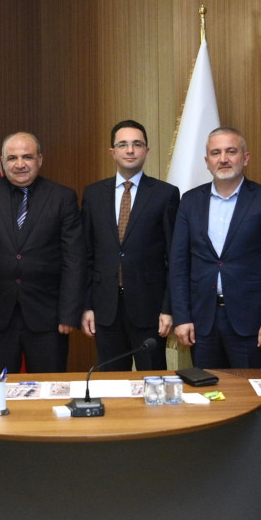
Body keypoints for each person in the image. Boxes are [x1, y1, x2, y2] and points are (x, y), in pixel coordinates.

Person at [0, 131, 85, 374]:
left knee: (50, 389)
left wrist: (69, 313)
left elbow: (74, 259)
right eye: (12, 158)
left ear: (40, 159)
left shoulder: (62, 197)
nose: (20, 164)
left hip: (48, 318)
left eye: (27, 157)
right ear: (2, 161)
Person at [170, 127, 261, 368]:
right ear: (207, 161)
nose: (223, 159)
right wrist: (181, 317)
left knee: (250, 388)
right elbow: (179, 265)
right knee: (207, 388)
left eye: (231, 151)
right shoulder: (190, 201)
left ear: (246, 157)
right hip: (202, 322)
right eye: (216, 153)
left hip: (252, 323)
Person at [81, 119, 180, 371]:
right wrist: (87, 306)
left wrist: (168, 308)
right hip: (105, 310)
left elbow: (174, 257)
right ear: (112, 151)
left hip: (149, 309)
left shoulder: (165, 194)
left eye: (137, 144)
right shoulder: (93, 195)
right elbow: (86, 255)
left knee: (153, 381)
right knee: (111, 383)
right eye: (123, 144)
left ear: (146, 150)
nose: (130, 150)